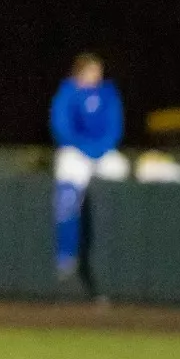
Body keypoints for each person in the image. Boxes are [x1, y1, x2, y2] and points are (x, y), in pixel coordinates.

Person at [48, 52, 128, 276]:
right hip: (76, 151)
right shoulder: (68, 92)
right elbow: (61, 127)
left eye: (98, 71)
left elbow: (114, 128)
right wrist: (85, 148)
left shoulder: (108, 93)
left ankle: (109, 251)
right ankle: (66, 255)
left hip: (102, 152)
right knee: (68, 186)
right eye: (91, 71)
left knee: (120, 169)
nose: (95, 76)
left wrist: (97, 149)